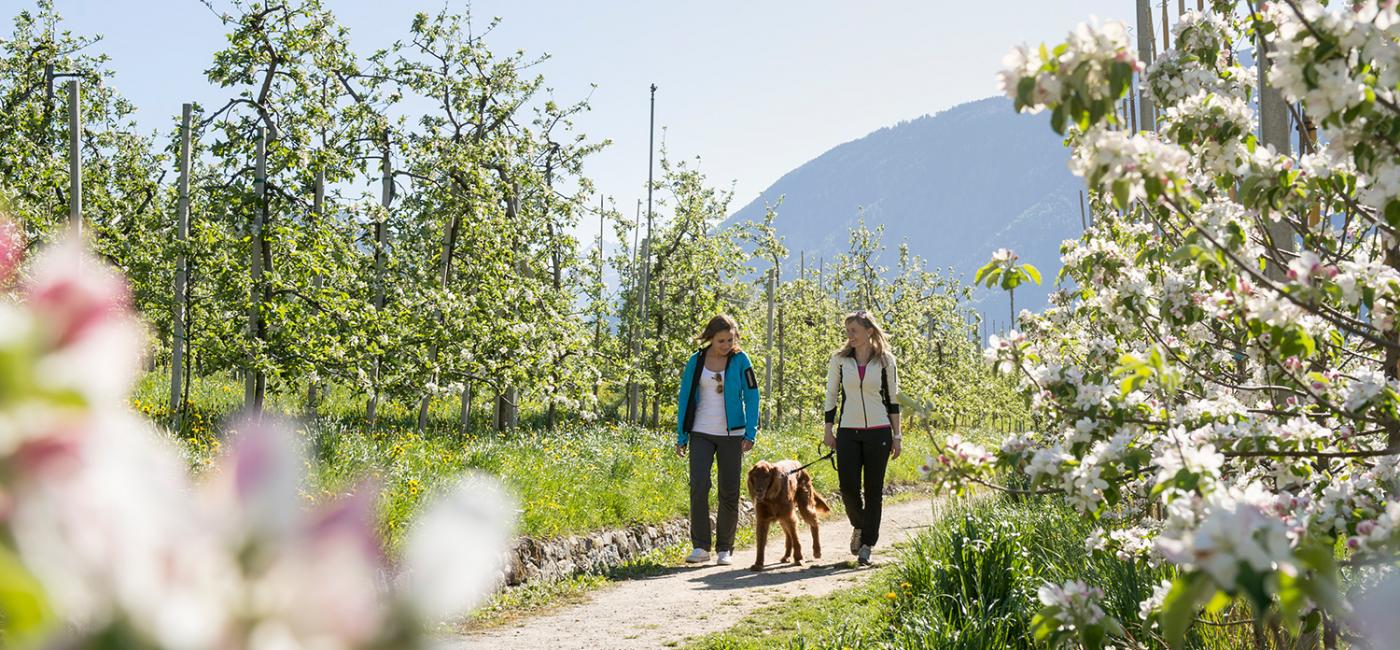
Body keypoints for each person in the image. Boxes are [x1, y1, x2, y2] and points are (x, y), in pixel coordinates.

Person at [675, 314, 760, 565]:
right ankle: (701, 547)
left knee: (729, 491)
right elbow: (684, 397)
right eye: (721, 341)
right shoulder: (696, 360)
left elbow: (753, 396)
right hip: (700, 431)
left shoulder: (741, 360)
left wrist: (750, 431)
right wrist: (681, 435)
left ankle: (725, 548)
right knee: (699, 487)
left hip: (732, 435)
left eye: (730, 340)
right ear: (710, 338)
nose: (726, 345)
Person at [822, 309, 902, 566]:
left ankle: (867, 544)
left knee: (874, 491)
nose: (850, 336)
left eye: (854, 331)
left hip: (879, 432)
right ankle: (859, 525)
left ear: (869, 331)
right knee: (848, 487)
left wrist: (897, 436)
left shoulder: (886, 360)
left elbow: (893, 400)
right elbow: (831, 395)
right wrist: (828, 429)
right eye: (847, 331)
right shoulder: (840, 360)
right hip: (848, 432)